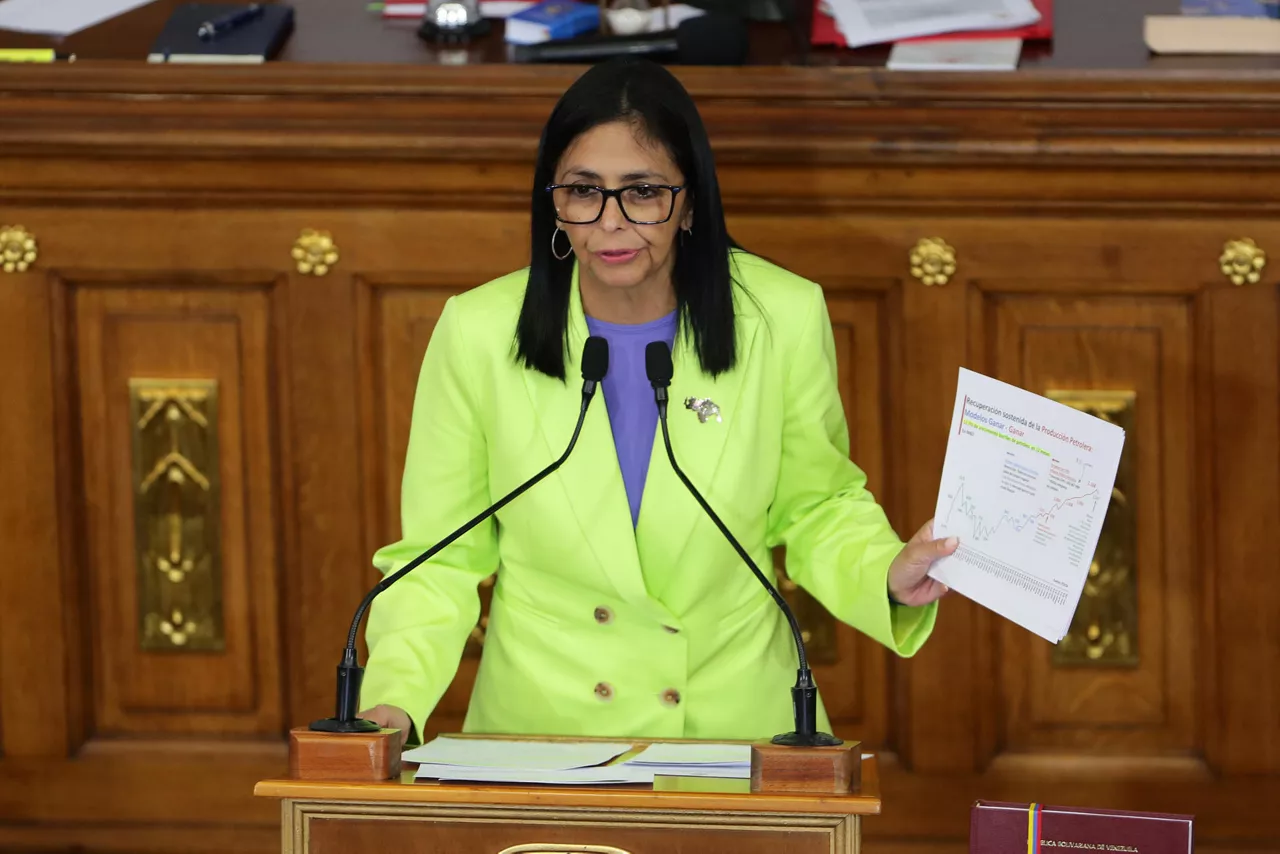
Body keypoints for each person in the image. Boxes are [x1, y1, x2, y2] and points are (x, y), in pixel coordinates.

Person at [357, 57, 957, 749]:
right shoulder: (479, 332)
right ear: (553, 201)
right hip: (547, 738)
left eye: (642, 192)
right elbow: (439, 557)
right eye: (583, 191)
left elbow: (816, 504)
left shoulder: (782, 317)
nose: (611, 223)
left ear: (691, 200)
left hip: (738, 734)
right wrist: (394, 703)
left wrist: (884, 571)